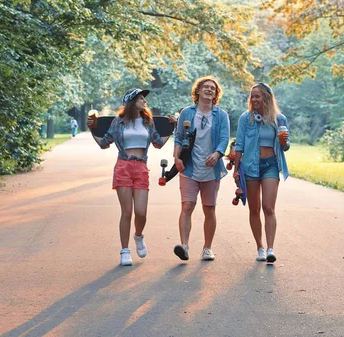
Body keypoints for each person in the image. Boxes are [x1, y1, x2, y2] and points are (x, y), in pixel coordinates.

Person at [87, 88, 177, 266]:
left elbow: (157, 143)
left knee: (141, 213)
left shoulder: (147, 122)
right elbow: (104, 143)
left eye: (144, 98)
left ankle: (138, 236)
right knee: (126, 212)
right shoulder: (118, 122)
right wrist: (92, 130)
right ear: (130, 101)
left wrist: (172, 127)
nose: (144, 101)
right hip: (123, 166)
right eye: (141, 98)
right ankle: (125, 251)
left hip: (141, 168)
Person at [172, 76, 230, 261]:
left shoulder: (221, 115)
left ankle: (207, 248)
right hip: (189, 167)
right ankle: (185, 246)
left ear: (216, 93)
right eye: (205, 87)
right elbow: (178, 137)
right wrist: (176, 158)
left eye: (212, 88)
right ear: (197, 91)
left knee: (209, 209)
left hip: (211, 170)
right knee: (187, 206)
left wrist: (217, 154)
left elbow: (224, 138)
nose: (209, 90)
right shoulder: (187, 113)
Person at [233, 82, 290, 263]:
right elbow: (239, 145)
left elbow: (286, 146)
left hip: (271, 164)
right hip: (250, 166)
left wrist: (284, 142)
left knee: (268, 207)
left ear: (266, 97)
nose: (254, 99)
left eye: (257, 96)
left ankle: (270, 248)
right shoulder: (245, 118)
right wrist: (236, 169)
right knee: (254, 208)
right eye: (252, 96)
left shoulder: (279, 119)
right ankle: (260, 247)